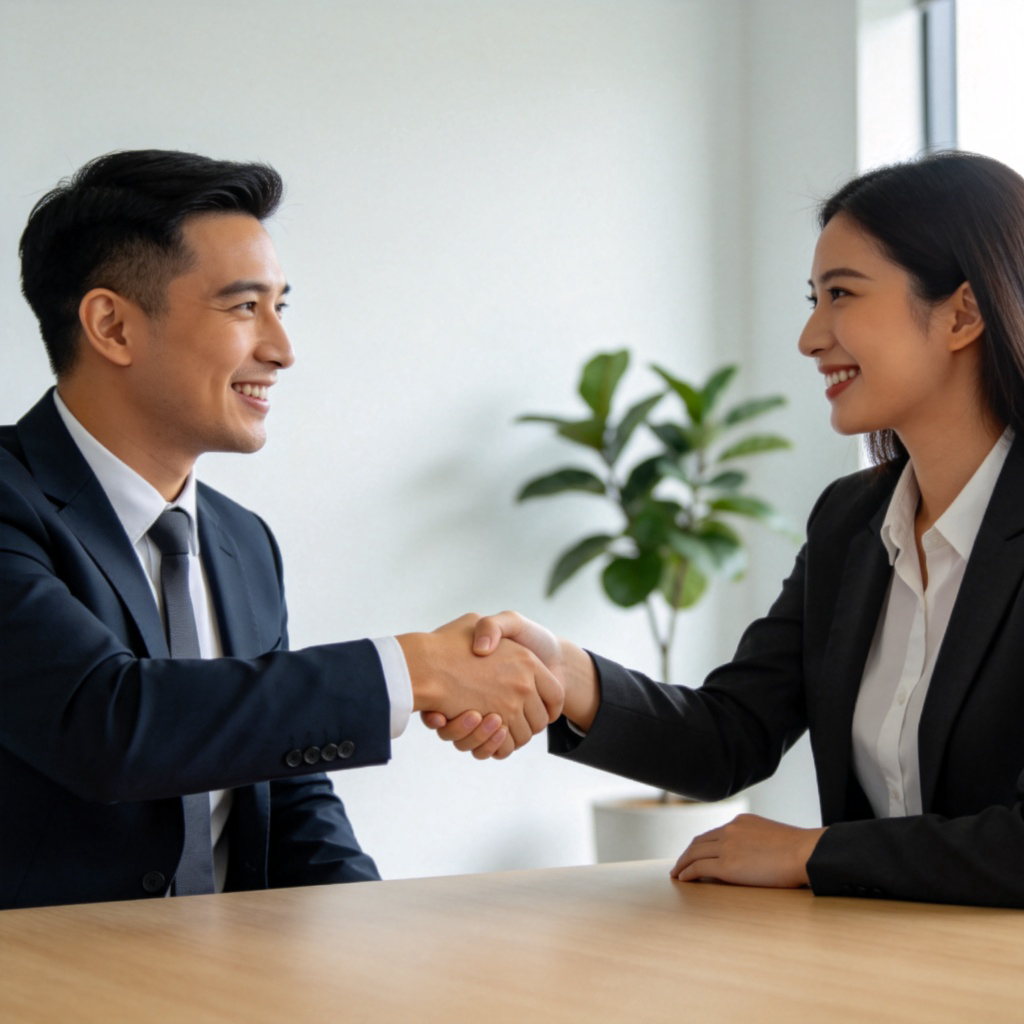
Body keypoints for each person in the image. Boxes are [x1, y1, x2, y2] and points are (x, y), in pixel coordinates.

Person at [431, 150, 1024, 908]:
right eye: (813, 298)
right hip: (882, 972)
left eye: (841, 294)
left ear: (963, 313)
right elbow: (731, 736)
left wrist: (815, 853)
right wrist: (565, 673)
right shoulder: (851, 522)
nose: (811, 337)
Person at [0, 149, 561, 910]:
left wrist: (378, 945)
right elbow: (108, 722)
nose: (281, 349)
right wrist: (412, 670)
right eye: (243, 308)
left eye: (281, 307)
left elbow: (289, 795)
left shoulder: (242, 541)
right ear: (112, 326)